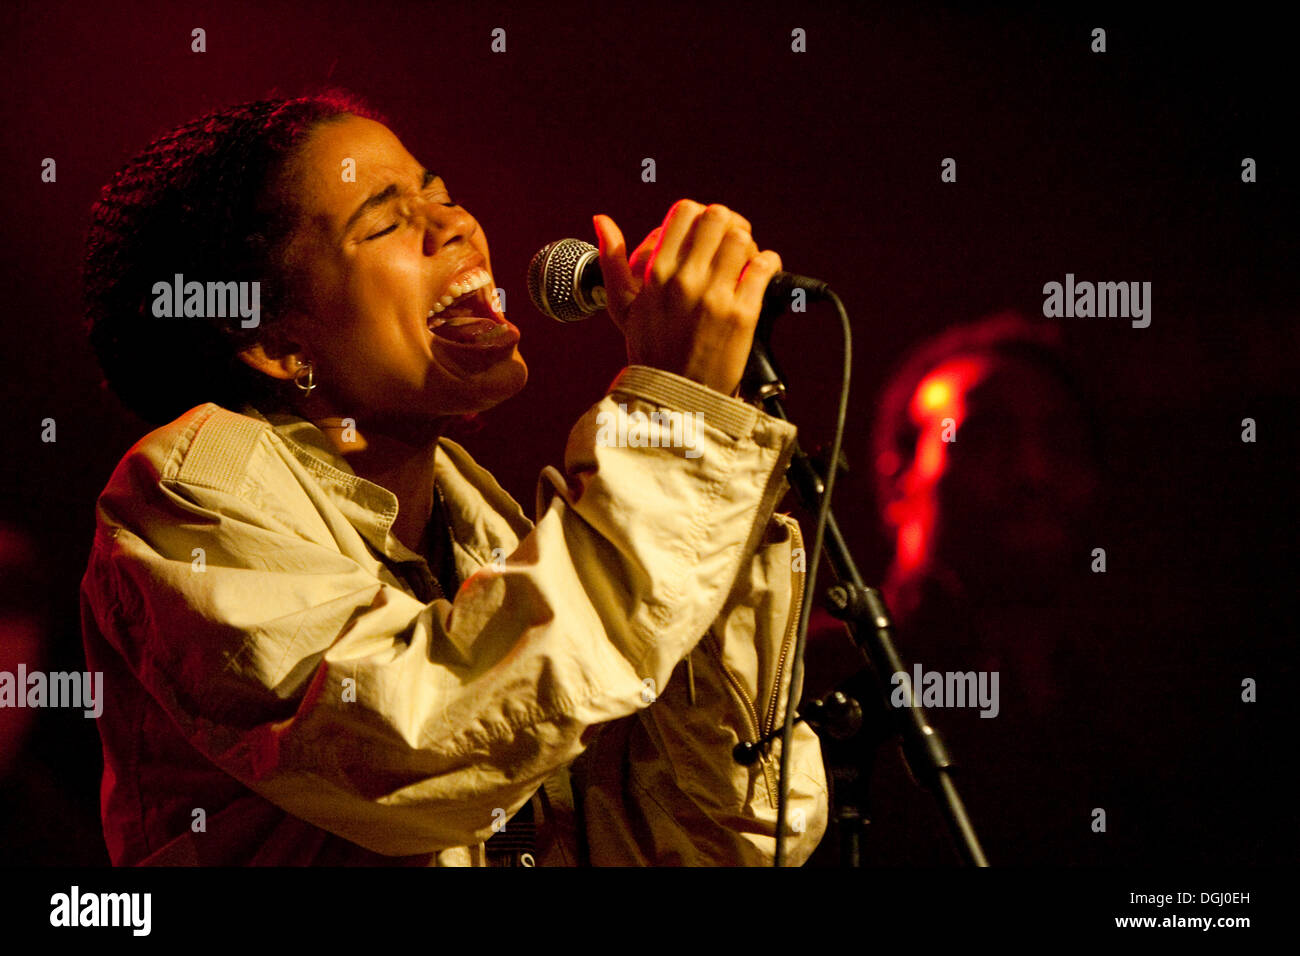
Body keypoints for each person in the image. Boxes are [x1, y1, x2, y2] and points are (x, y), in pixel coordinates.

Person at [78, 91, 828, 866]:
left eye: (440, 194)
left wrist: (712, 440)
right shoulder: (188, 490)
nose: (456, 223)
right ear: (272, 340)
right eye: (385, 219)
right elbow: (422, 742)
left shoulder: (494, 539)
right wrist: (676, 426)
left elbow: (728, 833)